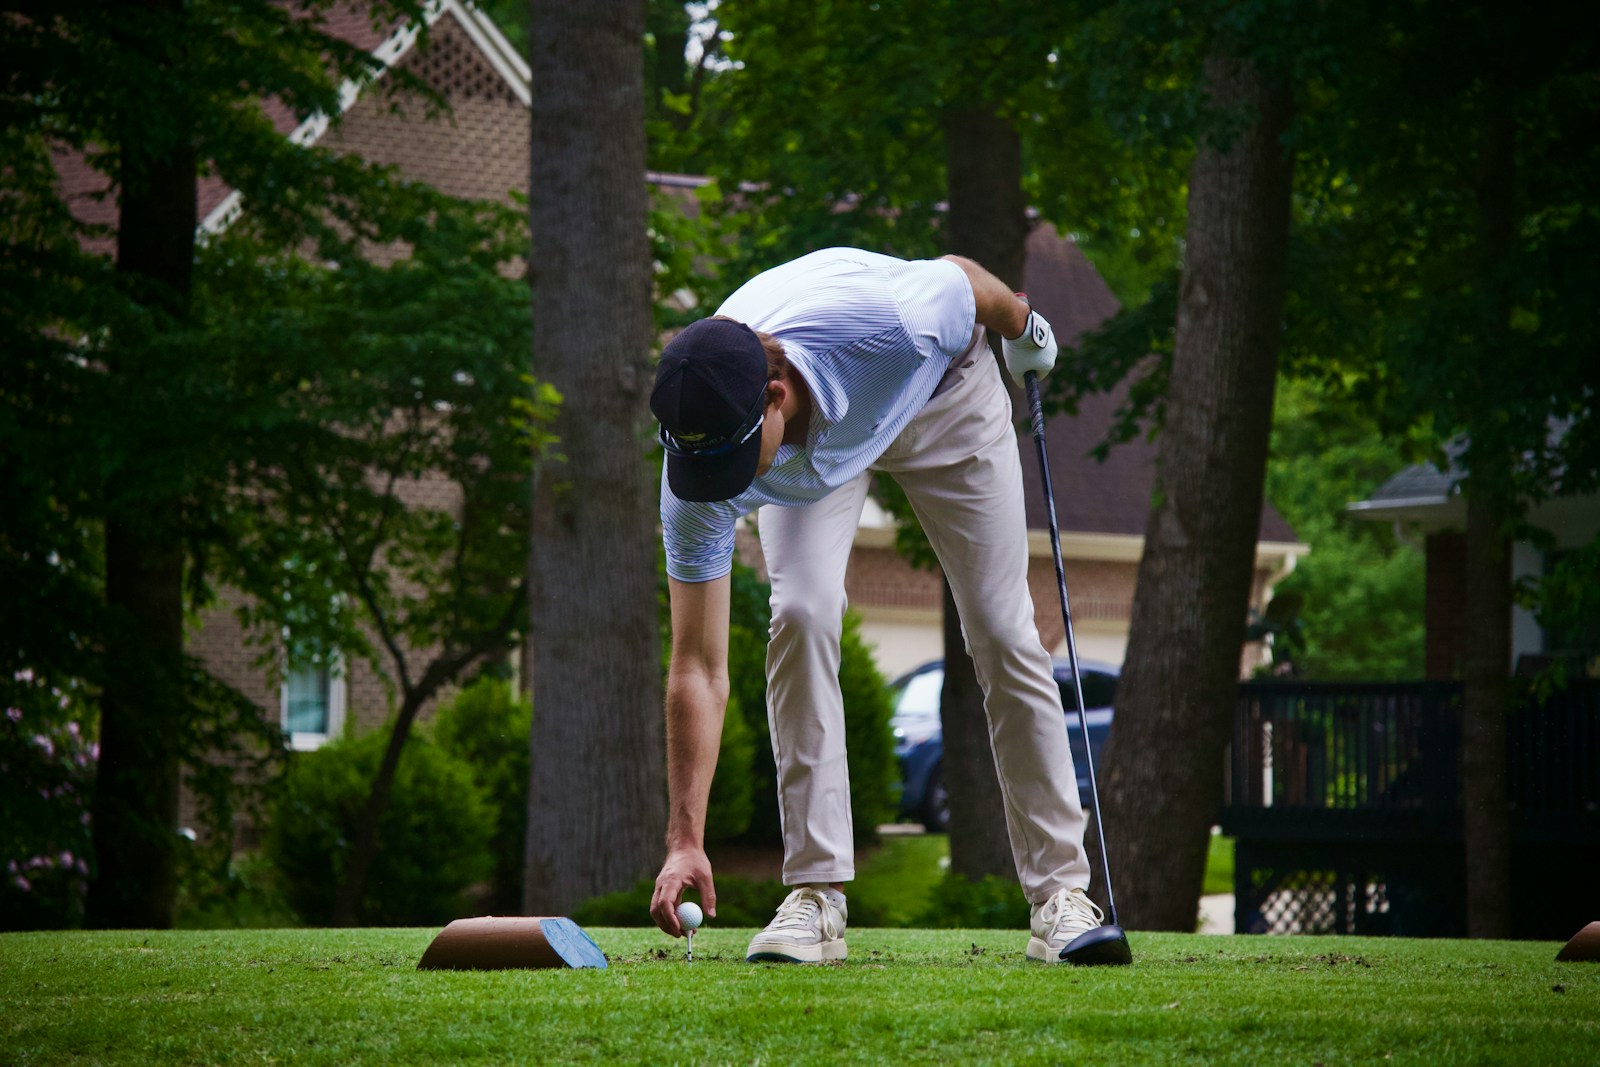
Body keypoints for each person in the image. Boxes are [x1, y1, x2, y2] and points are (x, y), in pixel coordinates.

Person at [647, 246, 1109, 964]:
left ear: (775, 396)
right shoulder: (699, 463)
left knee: (1001, 629)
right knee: (800, 613)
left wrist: (1024, 328)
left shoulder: (897, 322)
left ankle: (1061, 896)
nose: (719, 485)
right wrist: (685, 839)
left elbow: (962, 275)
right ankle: (816, 895)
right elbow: (697, 668)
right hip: (813, 458)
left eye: (732, 462)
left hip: (940, 398)